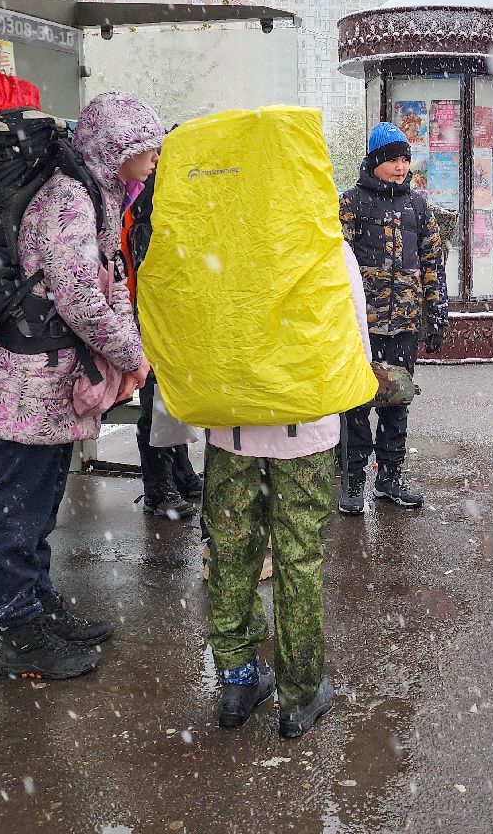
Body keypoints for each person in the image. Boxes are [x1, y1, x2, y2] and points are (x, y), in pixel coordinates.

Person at [0, 92, 164, 680]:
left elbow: (110, 286)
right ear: (116, 148)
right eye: (145, 146)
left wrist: (133, 356)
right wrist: (132, 354)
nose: (154, 157)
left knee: (39, 499)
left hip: (53, 379)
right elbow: (79, 295)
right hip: (28, 381)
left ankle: (36, 605)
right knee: (15, 505)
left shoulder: (99, 194)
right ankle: (17, 629)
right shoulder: (67, 198)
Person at [204, 240, 372, 738]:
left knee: (232, 551)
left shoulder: (222, 236)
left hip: (228, 423)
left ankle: (237, 683)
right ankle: (298, 697)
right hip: (304, 427)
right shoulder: (322, 244)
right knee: (299, 555)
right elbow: (353, 335)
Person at [337, 121, 448, 512]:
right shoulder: (351, 203)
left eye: (405, 159)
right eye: (392, 160)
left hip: (403, 324)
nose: (400, 167)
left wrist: (436, 311)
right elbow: (337, 264)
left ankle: (390, 477)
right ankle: (352, 480)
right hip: (360, 327)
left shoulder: (418, 206)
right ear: (375, 161)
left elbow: (434, 261)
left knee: (397, 401)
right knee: (355, 404)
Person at [120, 171, 206, 522]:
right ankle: (158, 487)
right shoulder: (151, 217)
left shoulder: (156, 210)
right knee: (157, 402)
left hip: (169, 322)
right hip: (155, 324)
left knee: (169, 399)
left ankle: (179, 473)